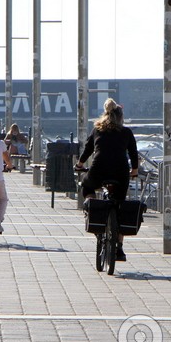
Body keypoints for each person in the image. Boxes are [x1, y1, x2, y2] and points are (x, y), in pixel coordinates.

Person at [74, 98, 138, 261]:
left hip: (98, 170)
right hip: (120, 173)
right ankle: (119, 248)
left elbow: (88, 149)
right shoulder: (126, 132)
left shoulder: (97, 130)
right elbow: (133, 153)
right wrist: (134, 171)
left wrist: (80, 164)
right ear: (121, 116)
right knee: (121, 205)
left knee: (86, 186)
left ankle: (90, 207)